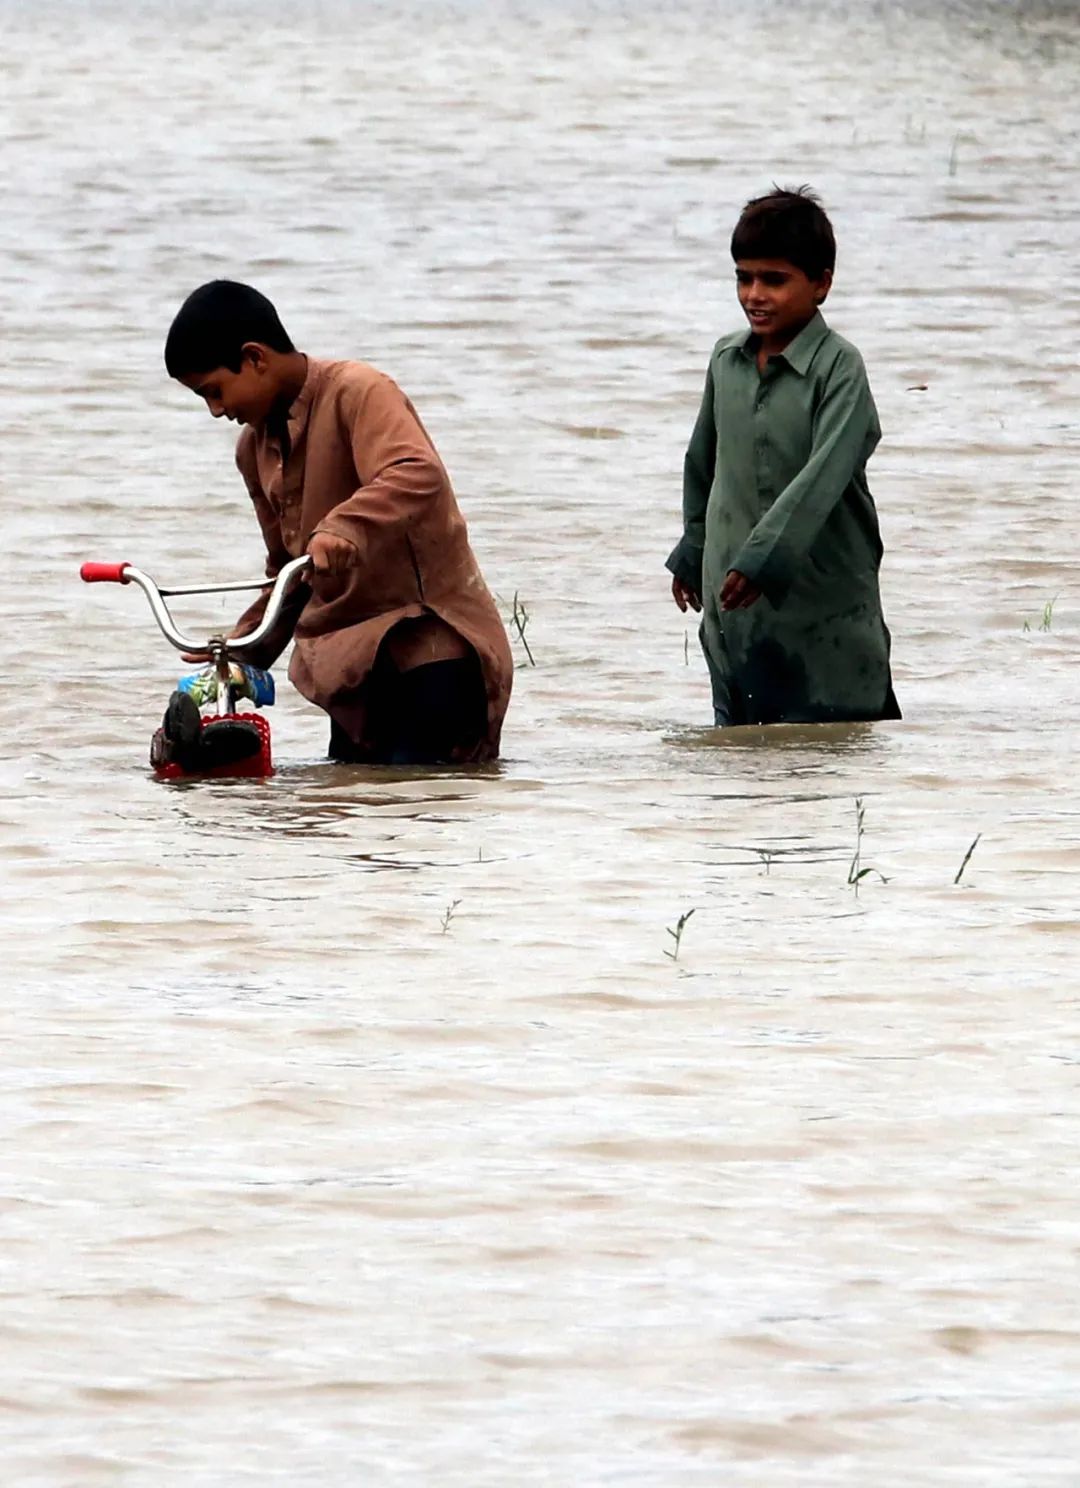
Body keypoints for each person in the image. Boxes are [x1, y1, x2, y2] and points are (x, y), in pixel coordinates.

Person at [156, 280, 513, 768]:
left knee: (416, 820)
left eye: (214, 391)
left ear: (255, 357)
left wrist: (343, 527)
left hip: (431, 657)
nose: (217, 410)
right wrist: (243, 649)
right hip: (355, 676)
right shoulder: (253, 450)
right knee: (346, 824)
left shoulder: (357, 390)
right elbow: (290, 571)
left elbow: (416, 471)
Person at [666, 186, 900, 727]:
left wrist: (763, 559)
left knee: (835, 747)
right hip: (736, 605)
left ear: (821, 284)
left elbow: (825, 475)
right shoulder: (726, 360)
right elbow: (703, 463)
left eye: (774, 279)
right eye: (744, 278)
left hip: (823, 601)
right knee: (742, 755)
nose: (755, 294)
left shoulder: (839, 368)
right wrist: (695, 543)